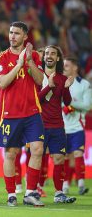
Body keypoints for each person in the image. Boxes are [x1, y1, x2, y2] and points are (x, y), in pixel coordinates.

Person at [0, 21, 45, 207]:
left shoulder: (35, 56)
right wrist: (18, 65)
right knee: (11, 153)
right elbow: (3, 83)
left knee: (38, 149)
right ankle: (11, 194)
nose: (12, 36)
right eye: (10, 32)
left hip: (32, 112)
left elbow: (41, 81)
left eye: (16, 33)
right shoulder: (1, 57)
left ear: (25, 36)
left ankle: (31, 192)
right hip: (10, 113)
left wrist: (29, 61)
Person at [38, 45, 76, 203]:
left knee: (59, 158)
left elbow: (67, 103)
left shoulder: (61, 78)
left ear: (58, 58)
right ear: (44, 57)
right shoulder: (37, 75)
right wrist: (49, 86)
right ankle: (33, 189)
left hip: (57, 125)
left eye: (53, 53)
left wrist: (66, 88)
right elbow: (36, 99)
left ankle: (59, 193)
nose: (49, 55)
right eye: (47, 53)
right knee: (37, 158)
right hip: (39, 124)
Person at [62, 57, 92, 195]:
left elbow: (88, 105)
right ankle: (65, 185)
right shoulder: (60, 82)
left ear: (75, 67)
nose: (64, 67)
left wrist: (71, 105)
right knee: (66, 157)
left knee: (78, 154)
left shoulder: (84, 84)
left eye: (67, 65)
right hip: (62, 127)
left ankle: (81, 184)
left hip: (78, 127)